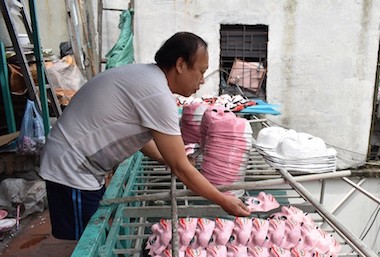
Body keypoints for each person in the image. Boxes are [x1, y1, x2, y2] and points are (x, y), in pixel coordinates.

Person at [39, 32, 250, 240]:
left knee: (94, 232)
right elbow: (181, 169)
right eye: (201, 71)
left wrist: (164, 157)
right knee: (86, 241)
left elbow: (143, 136)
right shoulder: (156, 93)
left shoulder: (147, 78)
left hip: (80, 162)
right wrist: (223, 200)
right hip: (71, 166)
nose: (202, 80)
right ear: (181, 65)